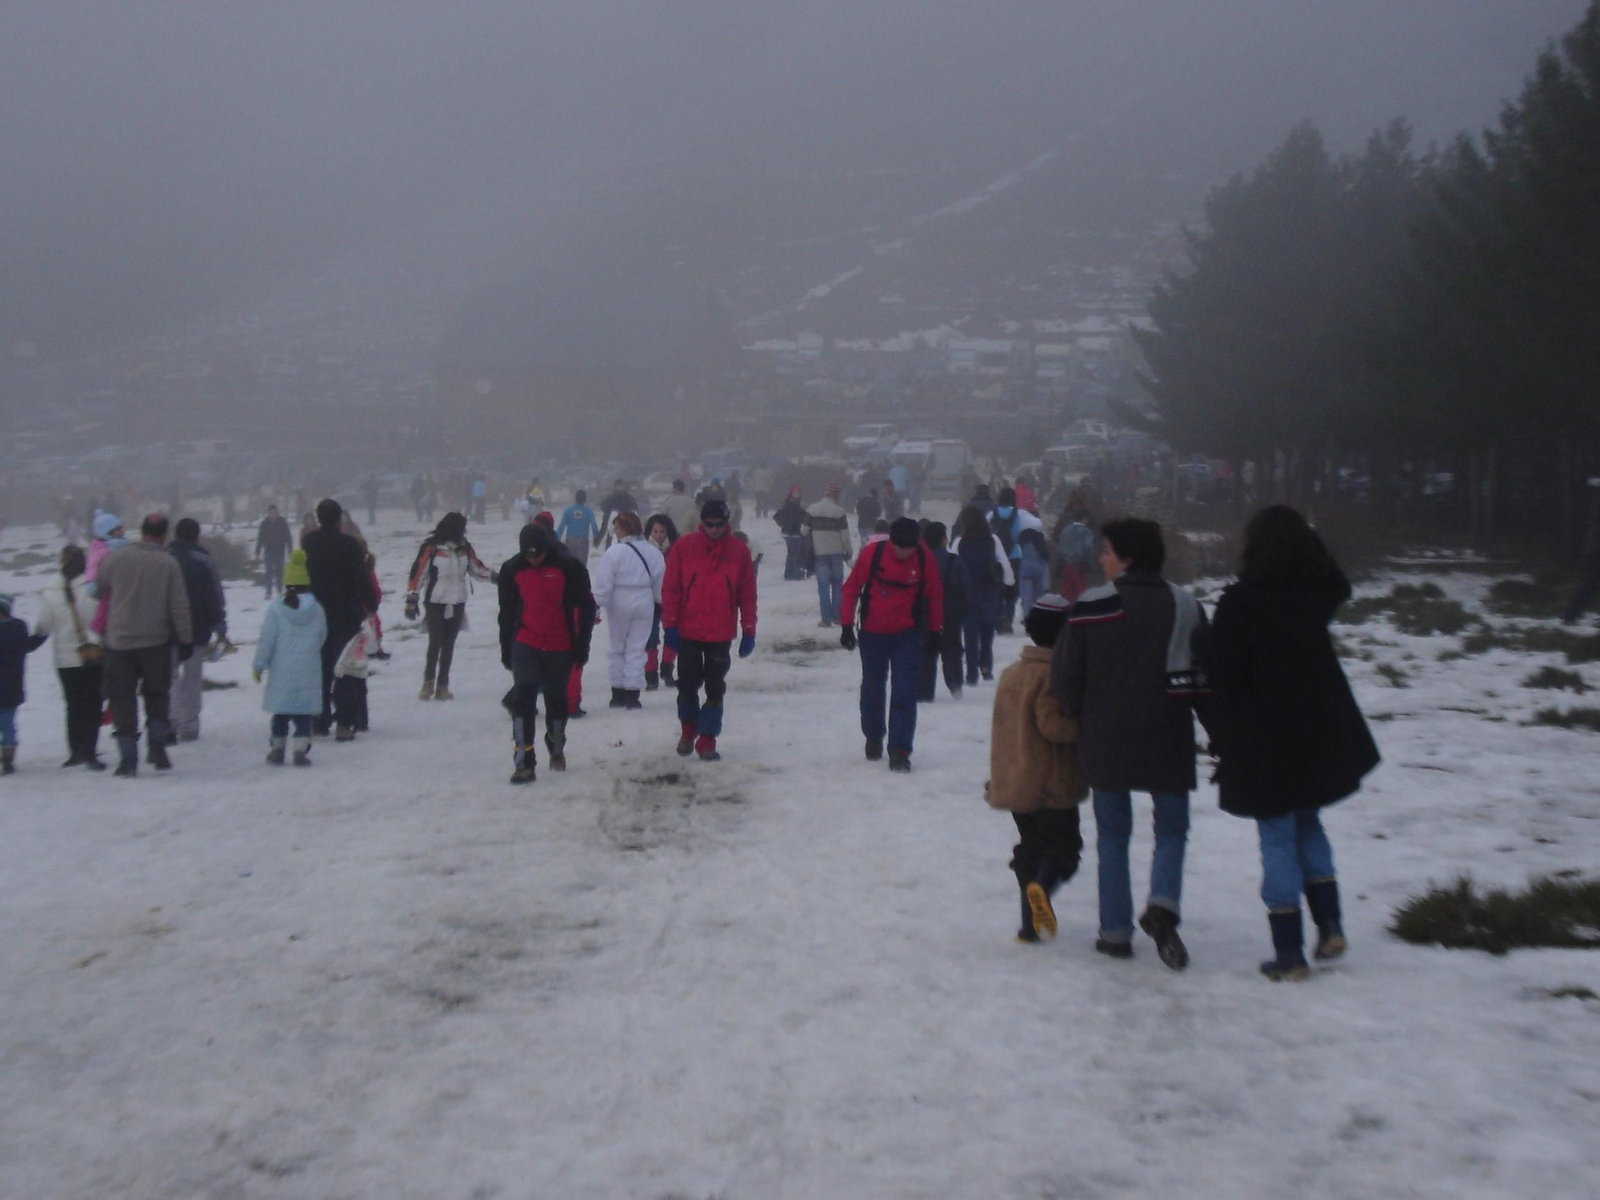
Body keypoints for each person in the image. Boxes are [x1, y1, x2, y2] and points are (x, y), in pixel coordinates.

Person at [1210, 506, 1379, 980]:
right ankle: (1330, 926)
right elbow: (1332, 575)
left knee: (1277, 838)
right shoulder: (1314, 596)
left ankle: (1288, 953)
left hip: (1264, 736)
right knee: (1309, 825)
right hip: (1317, 731)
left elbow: (1224, 672)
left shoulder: (1241, 604)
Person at [1050, 517, 1210, 969]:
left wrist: (1080, 712)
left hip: (1107, 740)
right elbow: (1204, 678)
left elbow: (1065, 677)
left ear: (1129, 556)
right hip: (1168, 736)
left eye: (1107, 550)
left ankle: (1114, 933)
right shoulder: (1186, 606)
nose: (1100, 558)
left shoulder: (1091, 606)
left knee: (1113, 835)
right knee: (1172, 829)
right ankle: (1162, 906)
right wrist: (1219, 733)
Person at [986, 593, 1086, 943]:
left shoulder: (1012, 674)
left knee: (1029, 850)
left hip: (1016, 784)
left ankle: (1029, 926)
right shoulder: (1055, 675)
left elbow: (1001, 727)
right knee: (1064, 848)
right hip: (1051, 786)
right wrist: (1085, 727)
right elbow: (1052, 726)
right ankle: (1043, 887)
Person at [838, 516, 944, 772]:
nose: (905, 552)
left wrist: (936, 631)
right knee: (873, 687)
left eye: (910, 547)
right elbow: (851, 588)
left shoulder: (923, 557)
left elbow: (935, 594)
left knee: (905, 691)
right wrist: (846, 626)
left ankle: (900, 750)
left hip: (906, 634)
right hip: (872, 633)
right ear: (891, 542)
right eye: (900, 547)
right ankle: (873, 736)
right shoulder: (872, 554)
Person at [93, 513, 194, 776]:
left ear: (141, 531)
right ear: (164, 534)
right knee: (157, 695)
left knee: (122, 698)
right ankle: (157, 747)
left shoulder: (116, 558)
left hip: (119, 641)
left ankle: (128, 758)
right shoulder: (168, 564)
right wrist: (185, 638)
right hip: (155, 641)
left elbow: (99, 585)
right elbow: (179, 605)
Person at [497, 524, 596, 783]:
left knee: (556, 701)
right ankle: (524, 762)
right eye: (529, 557)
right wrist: (506, 648)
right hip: (525, 641)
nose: (535, 561)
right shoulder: (512, 570)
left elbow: (586, 609)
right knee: (524, 699)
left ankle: (556, 744)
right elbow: (505, 614)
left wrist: (582, 645)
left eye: (539, 555)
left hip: (560, 644)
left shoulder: (569, 568)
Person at [661, 498, 757, 762]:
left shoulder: (738, 552)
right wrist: (669, 624)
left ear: (727, 523)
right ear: (702, 523)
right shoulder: (684, 547)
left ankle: (708, 739)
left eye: (719, 524)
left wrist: (749, 628)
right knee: (687, 685)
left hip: (720, 632)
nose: (714, 529)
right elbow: (671, 588)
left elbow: (747, 593)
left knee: (715, 687)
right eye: (709, 524)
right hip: (688, 629)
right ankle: (688, 729)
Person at [301, 499, 377, 740]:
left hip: (315, 614)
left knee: (319, 669)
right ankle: (345, 722)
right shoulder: (349, 545)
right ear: (339, 519)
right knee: (345, 667)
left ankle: (319, 719)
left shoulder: (308, 543)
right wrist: (369, 603)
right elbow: (359, 577)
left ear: (319, 518)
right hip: (345, 614)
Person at [28, 545, 106, 769]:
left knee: (73, 704)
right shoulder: (93, 588)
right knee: (93, 704)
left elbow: (43, 626)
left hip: (64, 659)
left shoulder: (50, 591)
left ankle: (75, 751)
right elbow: (101, 618)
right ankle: (90, 751)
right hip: (91, 654)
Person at [404, 511, 494, 701]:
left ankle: (442, 686)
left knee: (449, 645)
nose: (464, 531)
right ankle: (428, 683)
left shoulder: (464, 548)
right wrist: (412, 600)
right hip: (435, 601)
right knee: (435, 642)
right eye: (462, 528)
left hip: (458, 601)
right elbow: (418, 573)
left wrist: (497, 577)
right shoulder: (432, 547)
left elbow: (477, 569)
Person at [252, 550, 327, 767]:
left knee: (281, 713)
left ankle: (277, 748)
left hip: (281, 673)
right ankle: (300, 750)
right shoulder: (318, 610)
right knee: (303, 713)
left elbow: (266, 641)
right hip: (308, 670)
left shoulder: (276, 610)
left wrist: (259, 666)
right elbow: (322, 638)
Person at [592, 511, 665, 710]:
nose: (614, 531)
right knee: (637, 648)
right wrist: (659, 601)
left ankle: (617, 692)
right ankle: (633, 693)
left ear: (623, 529)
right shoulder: (653, 552)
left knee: (617, 647)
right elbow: (660, 582)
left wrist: (597, 603)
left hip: (619, 600)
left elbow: (604, 584)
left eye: (616, 527)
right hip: (645, 599)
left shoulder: (614, 552)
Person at [167, 518, 227, 742]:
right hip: (198, 627)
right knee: (192, 677)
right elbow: (215, 595)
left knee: (169, 675)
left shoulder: (165, 556)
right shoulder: (205, 559)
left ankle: (169, 720)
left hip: (168, 627)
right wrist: (220, 625)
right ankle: (189, 725)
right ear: (196, 536)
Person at [950, 504, 1012, 685]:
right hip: (990, 592)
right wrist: (1008, 583)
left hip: (967, 594)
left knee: (970, 635)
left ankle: (971, 673)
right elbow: (1005, 565)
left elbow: (953, 566)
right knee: (987, 632)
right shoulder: (993, 540)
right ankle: (986, 666)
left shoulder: (959, 542)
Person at [918, 522, 969, 702]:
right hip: (951, 611)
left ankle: (924, 691)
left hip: (925, 613)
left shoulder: (920, 561)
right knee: (952, 648)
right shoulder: (955, 561)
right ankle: (955, 684)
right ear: (943, 540)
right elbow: (965, 587)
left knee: (926, 650)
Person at [0, 592, 43, 775]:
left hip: (10, 685)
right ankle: (8, 761)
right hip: (12, 685)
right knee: (8, 724)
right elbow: (28, 646)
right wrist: (43, 635)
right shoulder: (18, 626)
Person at [803, 481, 854, 628]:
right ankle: (837, 617)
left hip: (820, 553)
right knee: (838, 586)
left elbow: (803, 531)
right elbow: (845, 536)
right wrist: (848, 551)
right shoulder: (839, 512)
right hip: (837, 553)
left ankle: (825, 620)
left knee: (823, 587)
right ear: (835, 495)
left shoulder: (812, 510)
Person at [641, 514, 680, 691]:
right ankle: (650, 675)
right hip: (649, 599)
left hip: (672, 599)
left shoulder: (677, 550)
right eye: (655, 531)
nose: (659, 535)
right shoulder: (643, 550)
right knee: (650, 638)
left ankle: (667, 668)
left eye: (662, 531)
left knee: (672, 634)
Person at [1053, 498, 1096, 604]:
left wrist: (1059, 565)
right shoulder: (1086, 532)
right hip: (1080, 566)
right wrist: (1090, 565)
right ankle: (1078, 615)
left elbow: (1060, 549)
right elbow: (1089, 549)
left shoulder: (1065, 531)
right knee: (1081, 593)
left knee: (1066, 592)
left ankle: (1066, 614)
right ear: (1084, 519)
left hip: (1066, 565)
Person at [773, 485, 808, 581]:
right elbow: (797, 517)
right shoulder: (793, 504)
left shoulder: (789, 503)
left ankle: (790, 572)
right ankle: (791, 573)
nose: (796, 494)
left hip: (790, 532)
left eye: (798, 492)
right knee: (793, 554)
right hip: (793, 532)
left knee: (792, 554)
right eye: (795, 492)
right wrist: (801, 509)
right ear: (791, 493)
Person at [555, 490, 602, 560]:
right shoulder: (588, 511)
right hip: (583, 540)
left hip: (570, 540)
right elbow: (593, 525)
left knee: (570, 563)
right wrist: (596, 538)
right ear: (585, 499)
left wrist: (556, 539)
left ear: (575, 499)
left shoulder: (568, 511)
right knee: (581, 565)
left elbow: (561, 526)